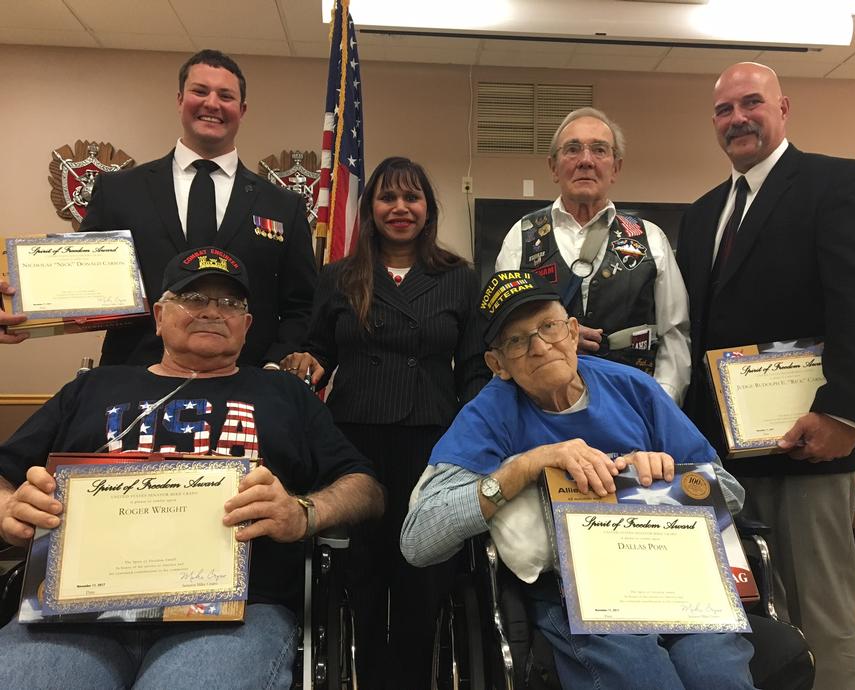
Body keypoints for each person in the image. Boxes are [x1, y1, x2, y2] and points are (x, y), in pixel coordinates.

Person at [0, 246, 384, 689]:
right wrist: (10, 509)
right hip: (74, 615)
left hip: (230, 615)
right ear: (159, 316)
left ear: (247, 325)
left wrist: (303, 513)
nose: (213, 312)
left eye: (230, 303)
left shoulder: (284, 394)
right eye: (193, 298)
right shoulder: (92, 387)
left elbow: (366, 486)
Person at [401, 269, 754, 690]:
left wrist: (666, 479)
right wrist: (525, 466)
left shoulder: (633, 388)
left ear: (572, 332)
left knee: (718, 677)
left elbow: (730, 493)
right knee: (646, 679)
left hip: (673, 574)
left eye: (548, 327)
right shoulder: (490, 414)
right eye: (517, 340)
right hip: (576, 591)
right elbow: (418, 539)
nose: (539, 347)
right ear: (498, 365)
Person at [676, 62, 855, 690]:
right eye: (724, 110)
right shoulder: (702, 214)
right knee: (742, 619)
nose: (738, 119)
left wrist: (844, 414)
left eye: (751, 104)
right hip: (719, 457)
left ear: (784, 107)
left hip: (809, 445)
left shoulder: (836, 182)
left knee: (818, 615)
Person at [296, 157, 491, 689]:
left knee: (423, 570)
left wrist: (473, 437)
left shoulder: (459, 276)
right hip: (353, 440)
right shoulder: (339, 276)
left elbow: (474, 368)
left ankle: (413, 677)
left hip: (432, 439)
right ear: (370, 208)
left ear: (429, 208)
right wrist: (304, 363)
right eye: (387, 198)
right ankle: (366, 674)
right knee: (361, 567)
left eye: (412, 198)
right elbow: (318, 349)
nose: (400, 208)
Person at [80, 49, 317, 369]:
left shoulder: (283, 206)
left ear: (242, 109)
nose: (212, 103)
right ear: (180, 99)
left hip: (247, 384)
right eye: (200, 91)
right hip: (135, 379)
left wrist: (274, 365)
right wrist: (17, 308)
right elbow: (80, 281)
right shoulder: (119, 191)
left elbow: (301, 305)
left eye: (226, 96)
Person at [494, 107, 690, 404]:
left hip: (632, 408)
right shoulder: (521, 237)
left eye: (599, 150)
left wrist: (659, 407)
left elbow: (674, 335)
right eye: (572, 149)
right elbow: (504, 334)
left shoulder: (651, 238)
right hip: (544, 412)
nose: (585, 161)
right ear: (553, 166)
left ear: (616, 167)